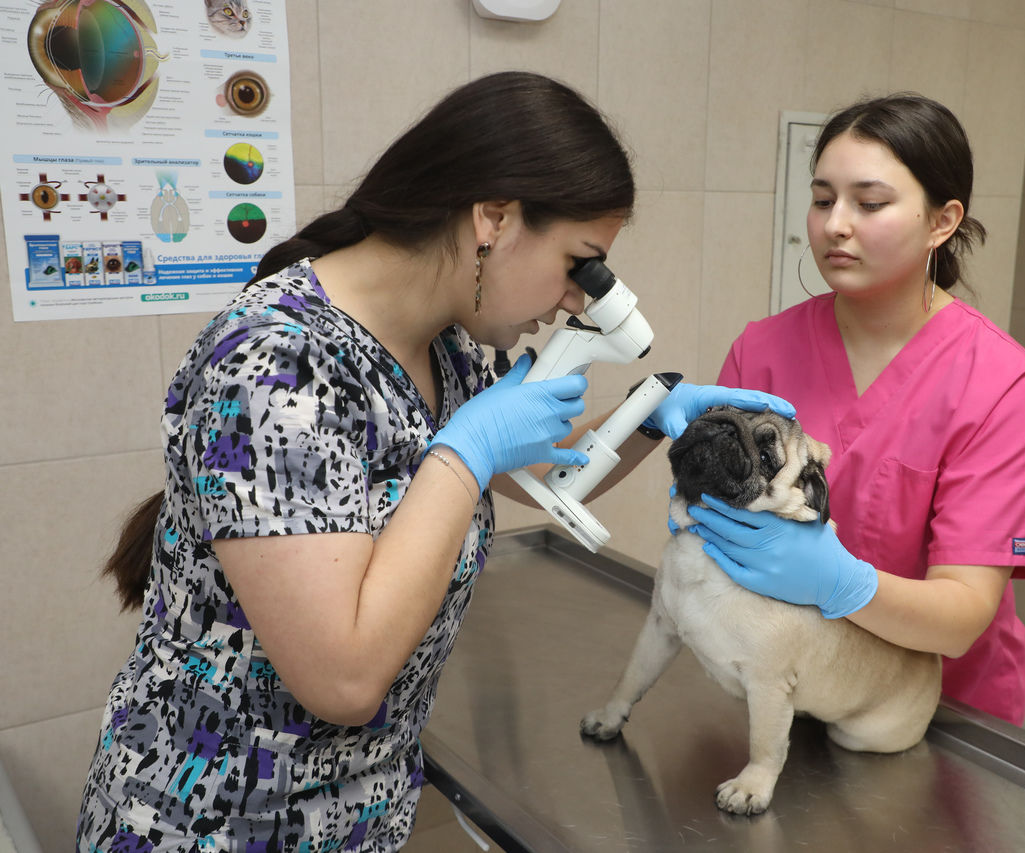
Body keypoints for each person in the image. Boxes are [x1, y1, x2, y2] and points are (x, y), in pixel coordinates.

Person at [77, 71, 791, 852]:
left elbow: (535, 479)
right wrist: (468, 446)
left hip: (360, 816)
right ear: (494, 217)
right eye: (578, 264)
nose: (577, 301)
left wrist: (647, 420)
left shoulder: (447, 344)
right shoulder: (271, 365)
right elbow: (344, 678)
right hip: (215, 823)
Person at [681, 93, 1025, 726]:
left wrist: (841, 585)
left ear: (942, 222)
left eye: (871, 203)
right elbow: (717, 524)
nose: (835, 225)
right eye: (823, 199)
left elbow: (963, 616)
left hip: (936, 709)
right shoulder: (762, 350)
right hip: (787, 681)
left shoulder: (998, 382)